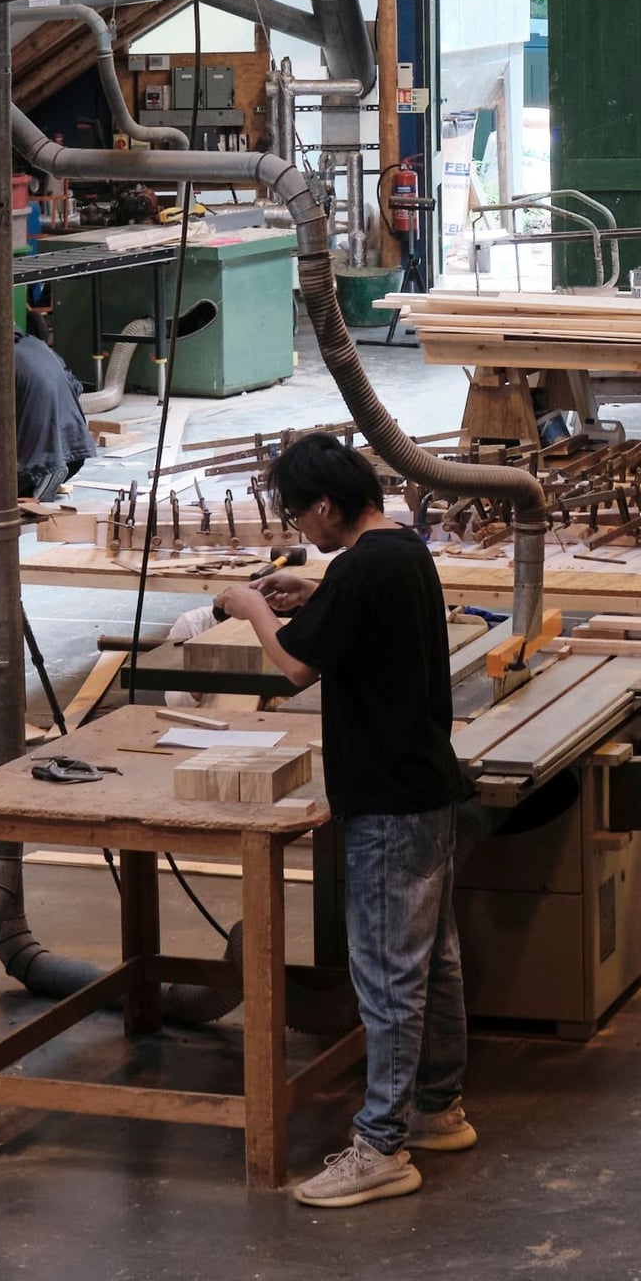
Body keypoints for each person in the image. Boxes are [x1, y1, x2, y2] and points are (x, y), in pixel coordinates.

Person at [215, 430, 474, 1207]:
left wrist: (251, 607)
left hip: (386, 801)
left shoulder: (361, 569)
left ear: (326, 506)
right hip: (426, 786)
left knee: (388, 976)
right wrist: (313, 596)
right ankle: (437, 1109)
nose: (301, 529)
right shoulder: (402, 549)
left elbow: (297, 666)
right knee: (434, 962)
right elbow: (359, 615)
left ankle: (382, 1147)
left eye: (300, 515)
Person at [10, 328, 93, 503]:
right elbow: (76, 386)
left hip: (37, 463)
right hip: (76, 451)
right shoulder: (38, 345)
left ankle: (42, 476)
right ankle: (48, 471)